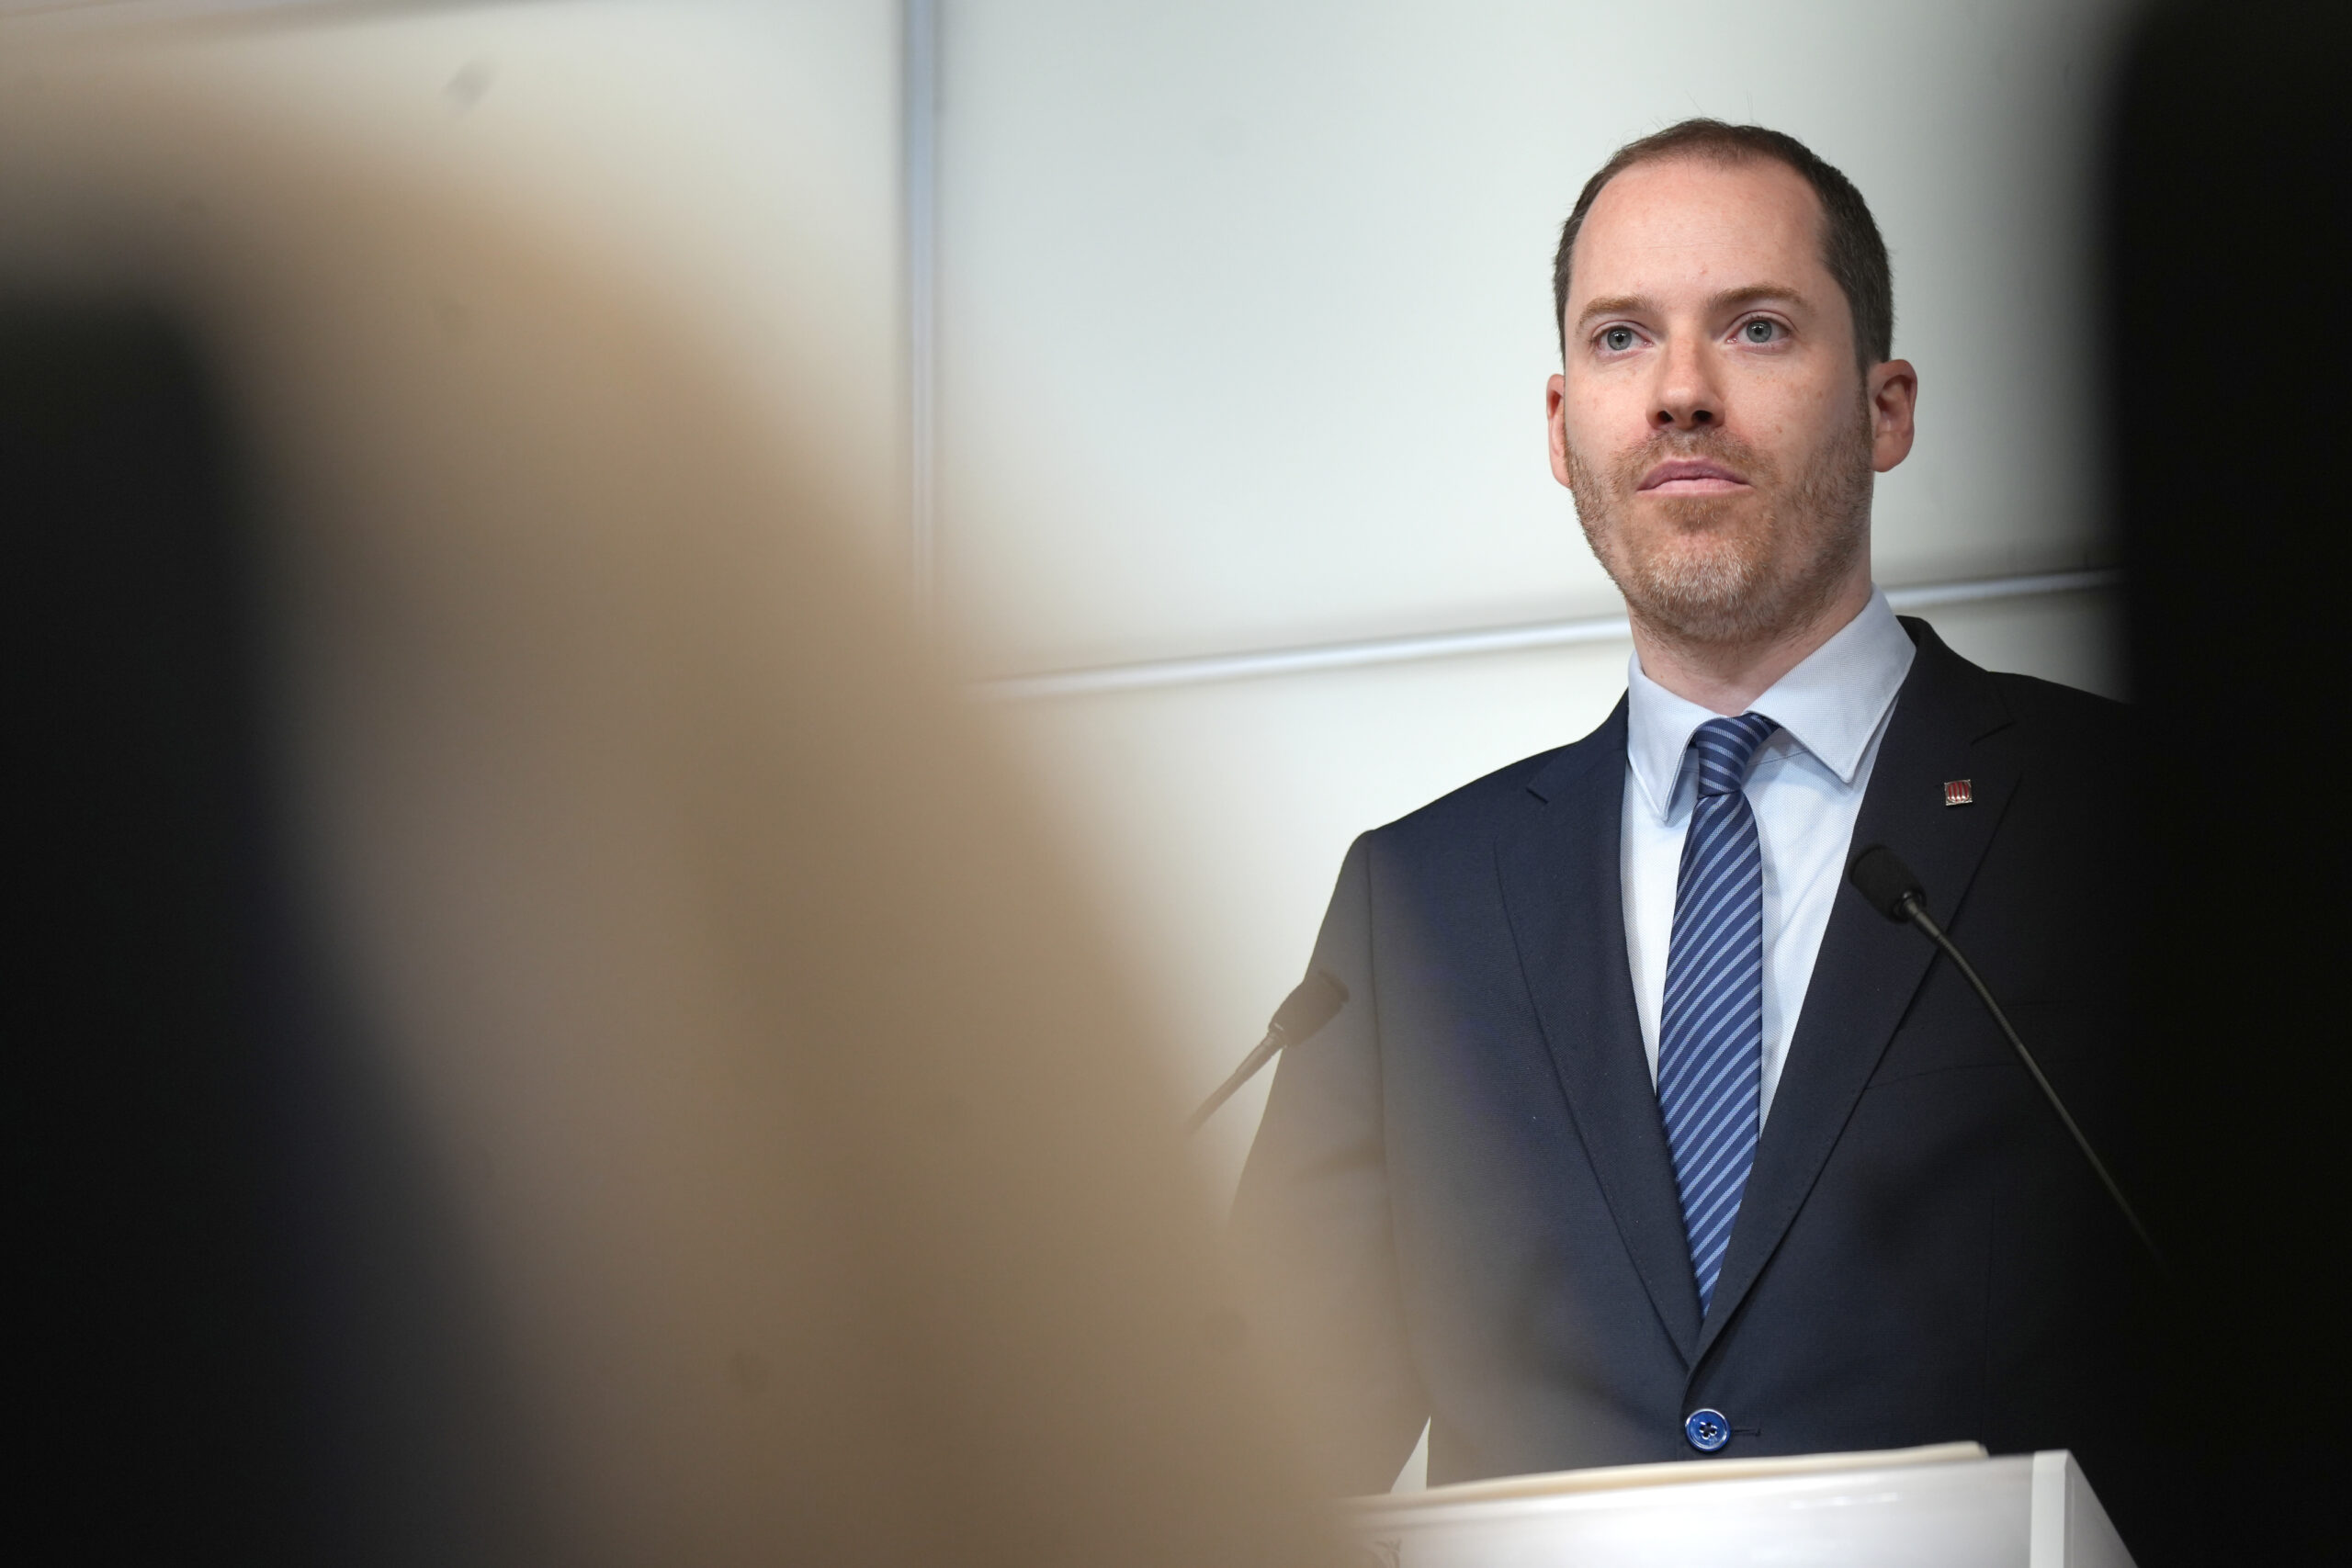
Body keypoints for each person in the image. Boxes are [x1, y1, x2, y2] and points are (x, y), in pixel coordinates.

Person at [1231, 119, 2158, 1538]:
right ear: (1562, 427)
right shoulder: (1413, 906)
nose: (1679, 393)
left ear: (1886, 408)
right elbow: (1253, 1470)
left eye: (1757, 327)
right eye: (1622, 338)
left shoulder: (2135, 819)